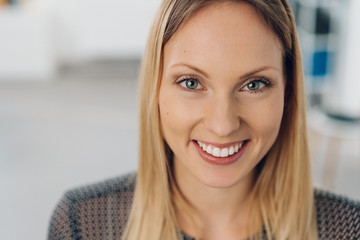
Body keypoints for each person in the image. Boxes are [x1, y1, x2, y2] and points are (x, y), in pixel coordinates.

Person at [48, 0, 360, 239]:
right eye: (191, 83)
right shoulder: (84, 225)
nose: (223, 124)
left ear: (288, 92)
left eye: (253, 85)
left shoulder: (346, 229)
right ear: (155, 88)